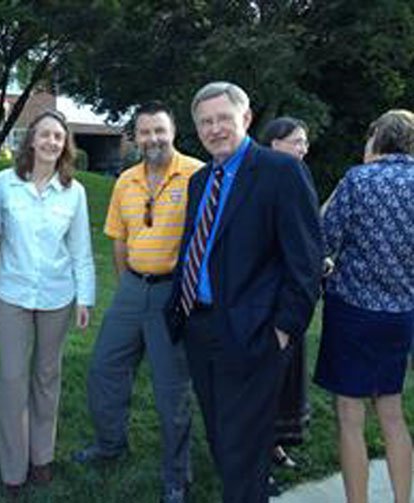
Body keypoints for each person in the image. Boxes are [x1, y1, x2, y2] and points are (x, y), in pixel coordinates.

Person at [165, 82, 322, 503]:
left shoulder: (280, 172)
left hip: (253, 334)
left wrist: (284, 331)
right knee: (221, 441)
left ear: (246, 119)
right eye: (205, 122)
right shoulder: (200, 180)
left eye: (223, 119)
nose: (215, 129)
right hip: (199, 329)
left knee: (244, 452)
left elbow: (305, 260)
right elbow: (195, 245)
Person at [73, 101, 203, 503]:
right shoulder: (125, 180)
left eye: (159, 131)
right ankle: (111, 445)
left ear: (173, 131)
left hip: (174, 293)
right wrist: (128, 279)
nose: (153, 139)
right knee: (104, 368)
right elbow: (119, 238)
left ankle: (177, 477)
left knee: (170, 389)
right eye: (145, 132)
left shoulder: (196, 174)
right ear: (135, 136)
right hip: (132, 289)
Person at [0, 110, 95, 499]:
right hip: (12, 294)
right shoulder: (4, 183)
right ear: (31, 140)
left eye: (59, 137)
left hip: (56, 295)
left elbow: (81, 249)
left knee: (47, 377)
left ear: (65, 145)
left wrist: (85, 297)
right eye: (45, 134)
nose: (52, 142)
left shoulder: (74, 191)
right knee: (13, 378)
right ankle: (13, 468)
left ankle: (41, 458)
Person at [313, 109, 414, 503]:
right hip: (401, 314)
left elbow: (321, 238)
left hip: (352, 312)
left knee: (350, 417)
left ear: (377, 138)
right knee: (392, 412)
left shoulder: (358, 180)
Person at [260, 117, 312, 483]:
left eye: (304, 142)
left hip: (292, 300)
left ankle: (275, 445)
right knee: (265, 384)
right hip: (266, 300)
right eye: (297, 141)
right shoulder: (261, 178)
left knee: (284, 382)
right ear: (274, 143)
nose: (303, 148)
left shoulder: (298, 174)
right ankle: (258, 460)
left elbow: (306, 236)